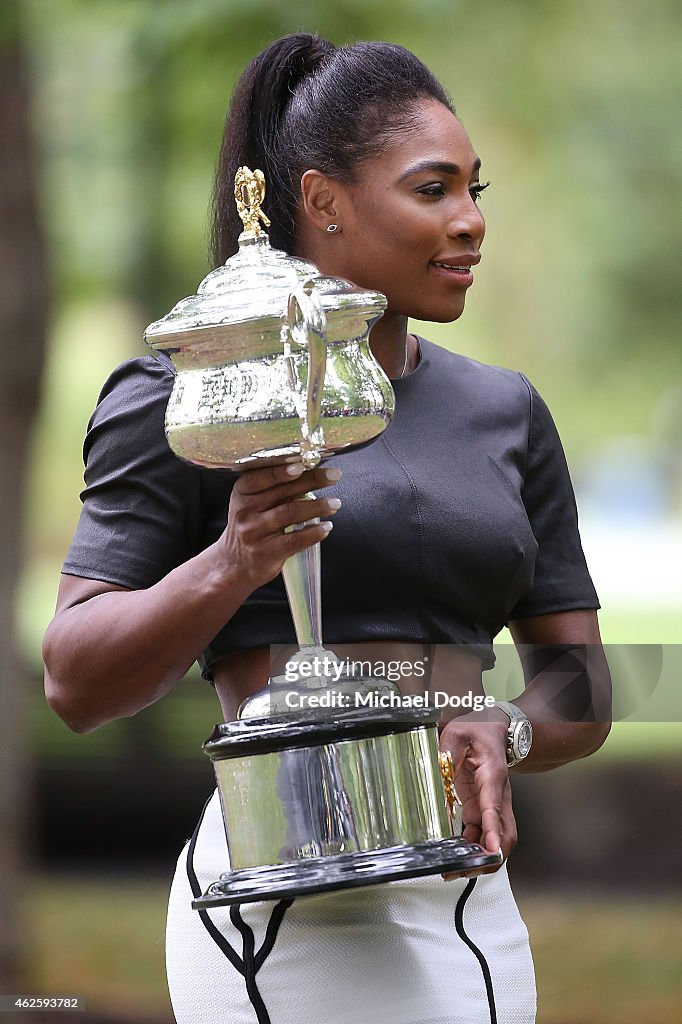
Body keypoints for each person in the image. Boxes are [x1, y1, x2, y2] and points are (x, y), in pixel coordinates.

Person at [43, 33, 611, 1024]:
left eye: (476, 190)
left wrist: (503, 725)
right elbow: (75, 678)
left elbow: (587, 684)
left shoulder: (504, 411)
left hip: (472, 901)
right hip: (290, 902)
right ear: (323, 202)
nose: (471, 221)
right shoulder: (196, 395)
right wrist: (232, 560)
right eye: (432, 190)